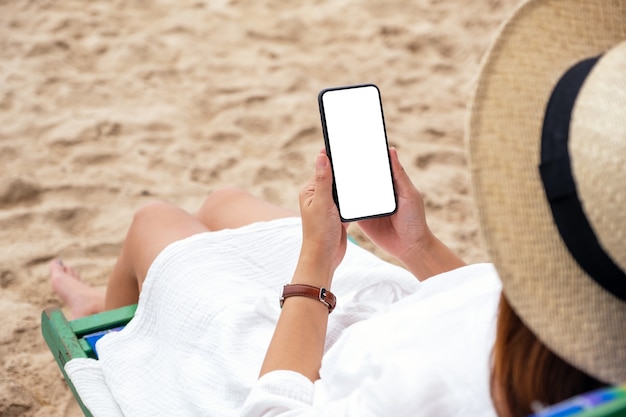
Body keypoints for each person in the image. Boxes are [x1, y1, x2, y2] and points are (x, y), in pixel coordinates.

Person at [50, 0, 626, 416]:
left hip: (281, 373)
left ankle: (110, 321)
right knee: (224, 204)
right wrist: (416, 246)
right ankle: (122, 306)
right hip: (398, 317)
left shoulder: (442, 392)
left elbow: (274, 411)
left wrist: (316, 264)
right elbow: (509, 308)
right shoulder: (598, 317)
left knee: (154, 220)